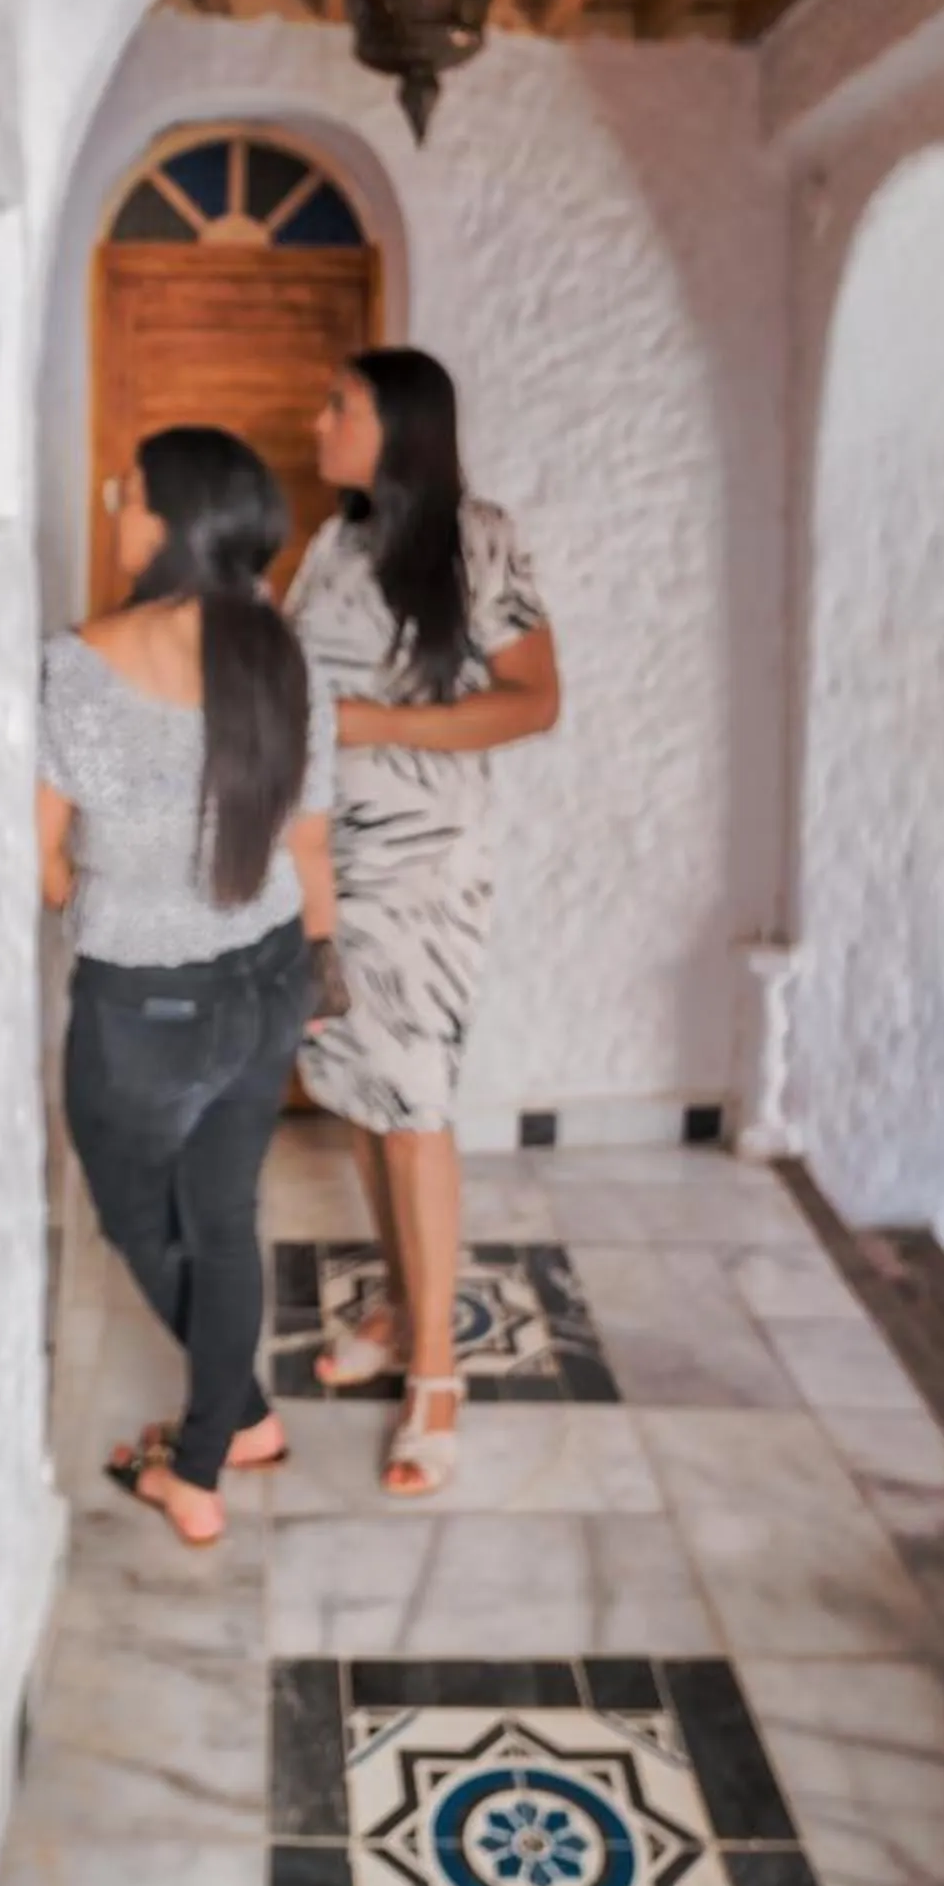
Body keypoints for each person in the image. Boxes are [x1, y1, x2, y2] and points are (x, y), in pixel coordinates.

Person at [37, 425, 347, 1550]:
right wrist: (315, 980)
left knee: (136, 1217)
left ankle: (200, 1467)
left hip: (144, 1009)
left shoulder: (78, 662)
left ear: (166, 525)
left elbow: (47, 860)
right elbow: (308, 847)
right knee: (220, 1221)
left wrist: (104, 891)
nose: (115, 510)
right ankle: (238, 1423)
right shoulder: (284, 654)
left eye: (126, 495)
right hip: (268, 978)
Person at [288, 347, 561, 1498]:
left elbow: (532, 700)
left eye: (336, 405)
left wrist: (366, 720)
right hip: (326, 861)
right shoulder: (329, 544)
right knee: (359, 1087)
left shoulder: (476, 537)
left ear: (395, 423)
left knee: (417, 1106)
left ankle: (438, 1374)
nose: (316, 420)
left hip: (425, 870)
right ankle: (401, 1313)